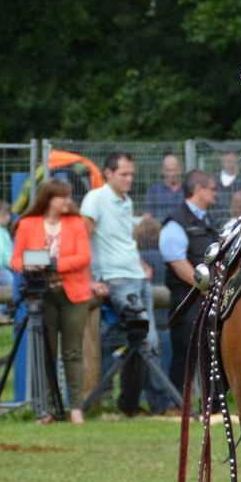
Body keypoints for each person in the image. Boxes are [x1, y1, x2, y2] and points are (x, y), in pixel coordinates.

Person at [82, 152, 174, 415]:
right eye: (123, 174)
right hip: (116, 279)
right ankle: (156, 405)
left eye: (131, 174)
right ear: (108, 173)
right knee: (143, 339)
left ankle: (129, 404)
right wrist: (89, 279)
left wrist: (140, 263)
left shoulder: (127, 202)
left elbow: (123, 240)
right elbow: (82, 239)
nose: (129, 179)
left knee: (146, 342)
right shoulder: (95, 199)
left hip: (135, 276)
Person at [11, 181, 93, 424]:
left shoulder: (76, 223)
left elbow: (84, 257)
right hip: (42, 295)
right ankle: (46, 408)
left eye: (68, 197)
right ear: (49, 199)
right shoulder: (27, 224)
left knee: (72, 351)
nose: (67, 202)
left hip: (73, 295)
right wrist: (27, 267)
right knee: (46, 351)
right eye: (62, 197)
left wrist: (54, 265)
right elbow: (16, 258)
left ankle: (75, 407)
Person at [161, 170, 219, 394]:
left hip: (209, 297)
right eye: (212, 188)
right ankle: (179, 404)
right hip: (187, 300)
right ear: (198, 190)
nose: (216, 194)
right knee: (185, 352)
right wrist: (206, 288)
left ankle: (212, 406)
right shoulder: (175, 222)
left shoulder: (208, 221)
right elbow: (178, 263)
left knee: (210, 351)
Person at [145, 153, 184, 221]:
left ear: (180, 169)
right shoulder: (154, 191)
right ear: (162, 171)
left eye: (174, 170)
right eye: (168, 170)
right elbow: (148, 215)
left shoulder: (188, 189)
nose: (172, 174)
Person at [214, 148, 241, 213]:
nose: (227, 158)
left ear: (237, 158)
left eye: (230, 155)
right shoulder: (214, 180)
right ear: (220, 158)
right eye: (224, 155)